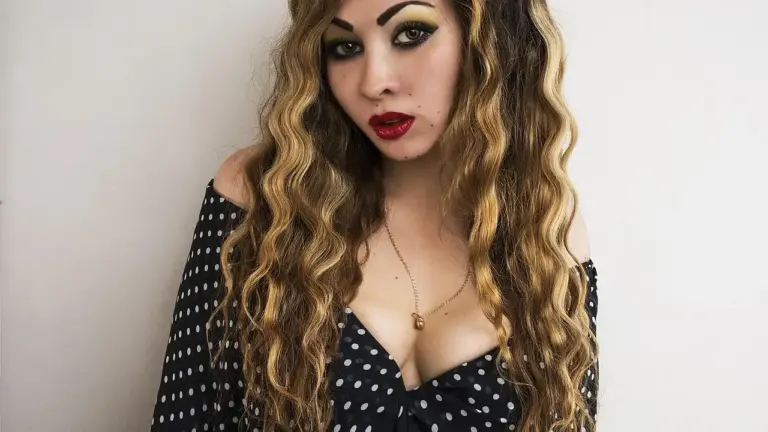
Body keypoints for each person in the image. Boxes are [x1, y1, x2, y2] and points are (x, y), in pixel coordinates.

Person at [149, 0, 600, 430]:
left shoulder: (546, 225)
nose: (373, 82)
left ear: (488, 40)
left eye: (411, 33)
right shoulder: (265, 197)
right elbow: (187, 417)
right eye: (345, 48)